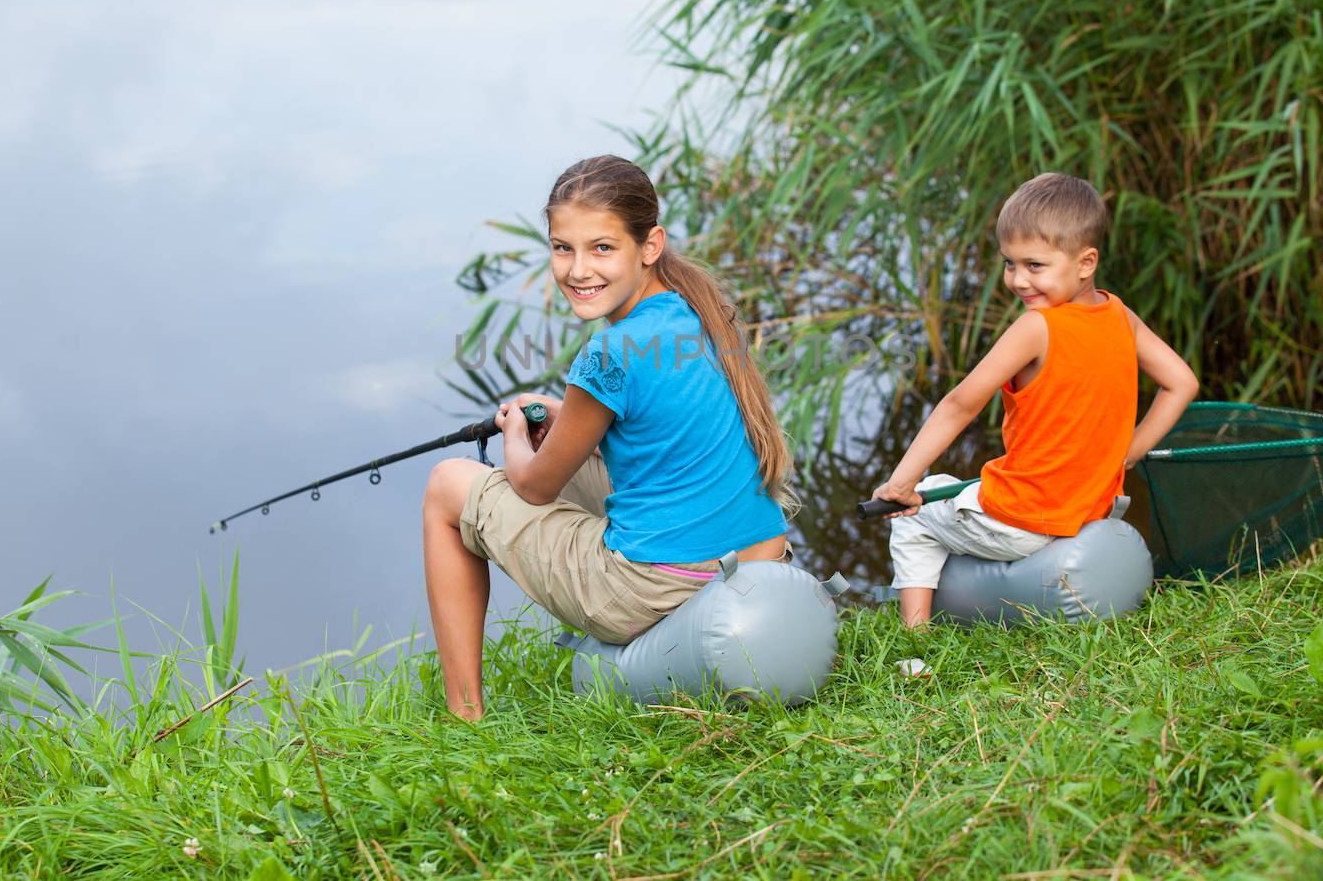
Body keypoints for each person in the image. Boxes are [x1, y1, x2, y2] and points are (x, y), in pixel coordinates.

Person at [421, 155, 794, 719]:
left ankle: (464, 716)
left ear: (649, 245)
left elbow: (535, 486)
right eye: (561, 247)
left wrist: (516, 432)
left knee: (447, 485)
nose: (576, 269)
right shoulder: (704, 310)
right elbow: (660, 426)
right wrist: (563, 411)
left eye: (601, 248)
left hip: (650, 589)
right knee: (562, 450)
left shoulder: (608, 352)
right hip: (755, 557)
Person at [872, 172, 1198, 628]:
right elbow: (1182, 382)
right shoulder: (1119, 316)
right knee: (954, 485)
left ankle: (915, 636)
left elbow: (959, 405)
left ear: (1086, 263)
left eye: (1034, 266)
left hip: (1025, 519)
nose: (1018, 281)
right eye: (1009, 264)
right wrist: (1129, 453)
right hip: (1092, 508)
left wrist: (901, 484)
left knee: (914, 512)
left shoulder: (1036, 328)